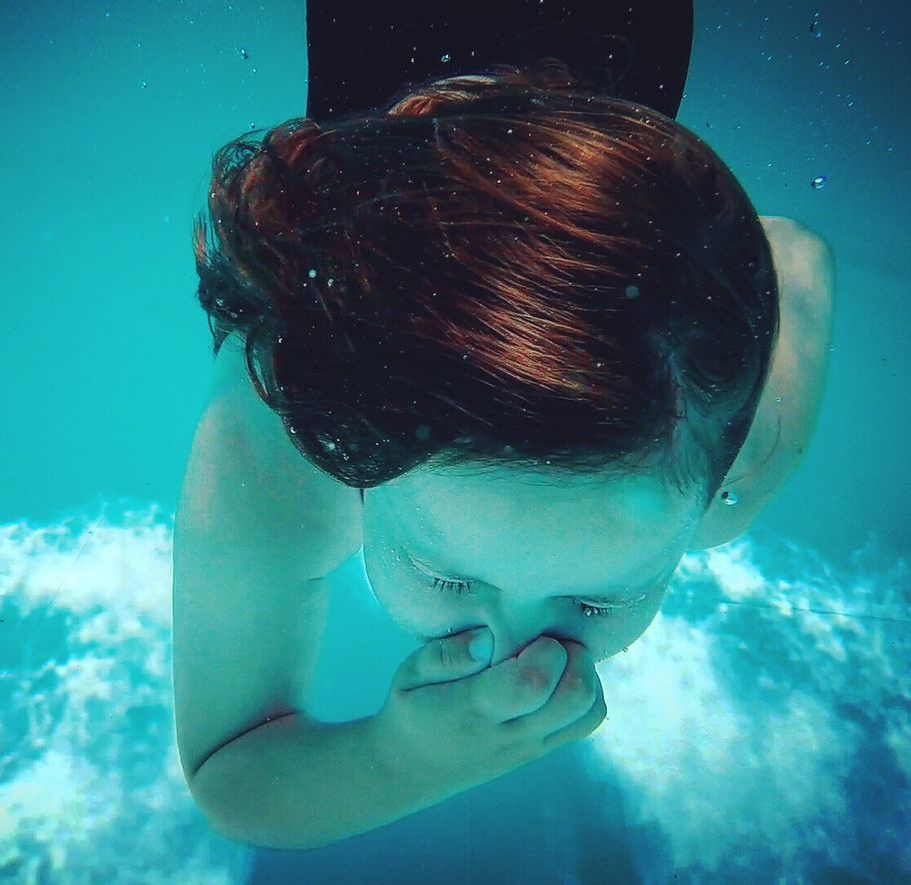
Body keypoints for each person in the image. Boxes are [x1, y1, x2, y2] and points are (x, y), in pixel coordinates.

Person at [172, 0, 835, 851]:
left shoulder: (726, 457)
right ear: (353, 454)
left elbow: (794, 254)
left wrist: (402, 754)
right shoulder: (281, 446)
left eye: (604, 597)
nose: (515, 644)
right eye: (442, 578)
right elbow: (228, 775)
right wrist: (401, 758)